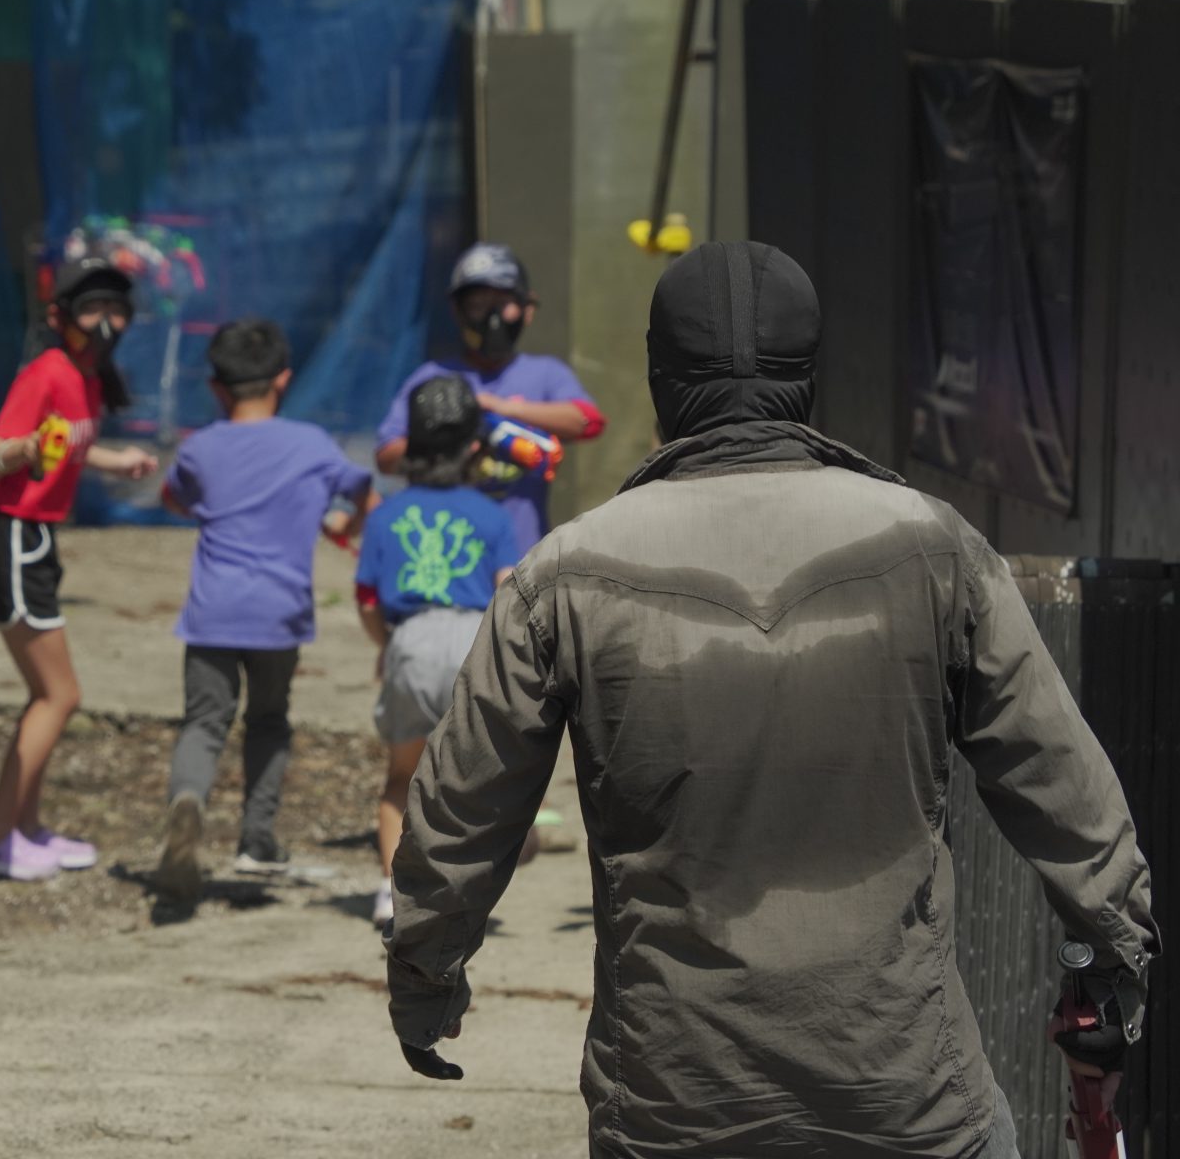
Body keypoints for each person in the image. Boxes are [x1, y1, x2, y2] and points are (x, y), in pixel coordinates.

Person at [384, 242, 1160, 1158]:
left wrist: (427, 979)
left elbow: (460, 810)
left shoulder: (565, 574)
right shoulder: (933, 548)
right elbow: (1064, 788)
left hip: (673, 1102)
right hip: (908, 1095)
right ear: (810, 379)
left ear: (660, 381)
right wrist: (1110, 969)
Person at [153, 319, 373, 902]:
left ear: (217, 387)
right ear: (283, 379)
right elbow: (364, 489)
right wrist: (343, 524)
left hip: (213, 611)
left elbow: (173, 498)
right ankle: (256, 839)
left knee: (204, 722)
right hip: (279, 615)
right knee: (270, 721)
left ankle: (189, 801)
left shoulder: (201, 447)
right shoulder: (311, 445)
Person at [0, 258, 159, 881]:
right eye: (92, 309)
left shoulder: (87, 375)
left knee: (45, 695)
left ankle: (25, 830)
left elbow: (67, 441)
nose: (106, 323)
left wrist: (112, 459)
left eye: (116, 310)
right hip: (8, 535)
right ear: (58, 317)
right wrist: (25, 450)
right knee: (59, 694)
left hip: (34, 537)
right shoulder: (45, 372)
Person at [356, 376, 518, 929]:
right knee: (476, 778)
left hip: (412, 638)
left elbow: (368, 600)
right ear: (476, 448)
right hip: (475, 642)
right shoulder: (493, 514)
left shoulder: (385, 515)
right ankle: (468, 888)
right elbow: (506, 592)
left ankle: (388, 890)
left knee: (402, 777)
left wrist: (388, 646)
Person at [376, 243, 604, 557]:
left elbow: (588, 422)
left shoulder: (545, 374)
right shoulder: (432, 377)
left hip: (524, 559)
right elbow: (387, 456)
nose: (493, 317)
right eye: (479, 305)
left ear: (528, 308)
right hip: (449, 557)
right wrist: (451, 432)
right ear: (458, 310)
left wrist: (501, 409)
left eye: (505, 303)